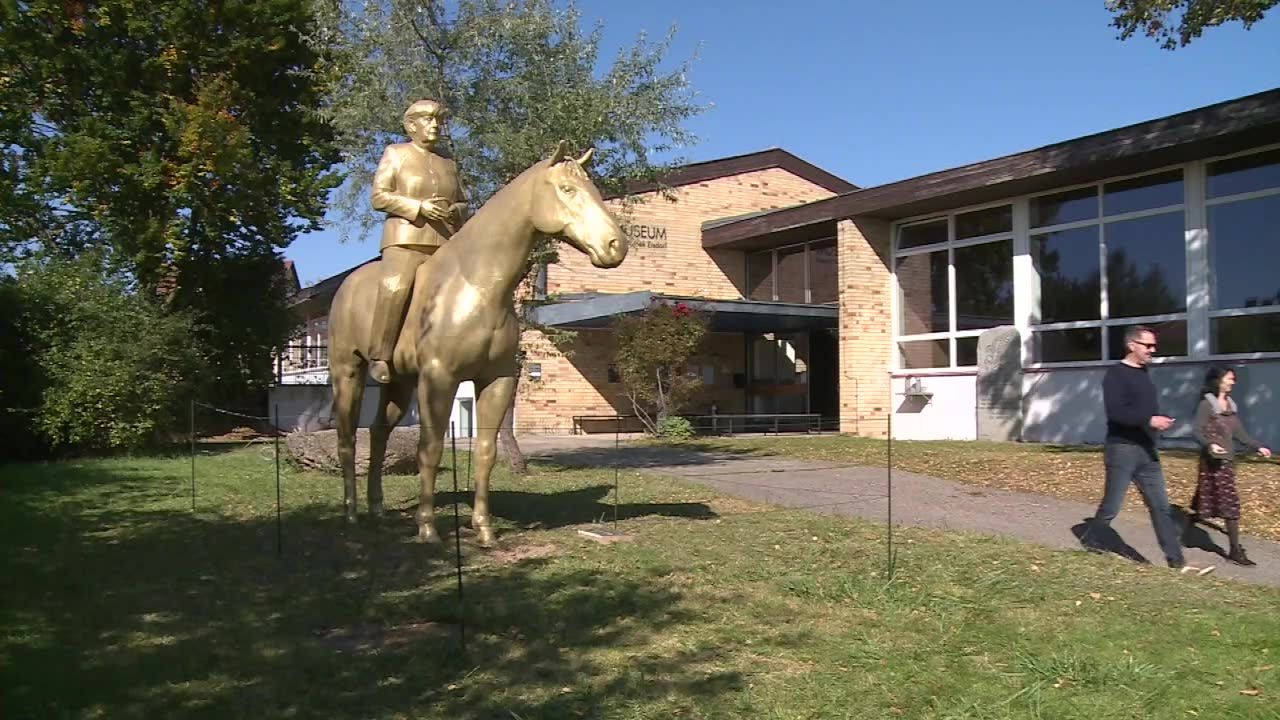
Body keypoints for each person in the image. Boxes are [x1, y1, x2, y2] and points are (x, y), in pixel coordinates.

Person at [1086, 325, 1214, 576]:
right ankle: (1092, 541)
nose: (1152, 351)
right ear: (1131, 345)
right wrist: (1149, 420)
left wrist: (1156, 425)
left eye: (1154, 346)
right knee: (1112, 506)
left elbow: (1142, 412)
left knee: (1161, 507)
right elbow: (1117, 413)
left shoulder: (1144, 373)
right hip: (1122, 450)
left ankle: (1177, 563)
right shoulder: (1116, 374)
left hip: (1147, 451)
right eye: (1148, 345)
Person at [366, 98, 468, 384]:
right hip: (405, 240)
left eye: (438, 119)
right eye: (427, 118)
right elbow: (379, 197)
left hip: (445, 243)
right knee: (395, 288)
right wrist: (420, 207)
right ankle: (381, 355)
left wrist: (453, 210)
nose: (434, 124)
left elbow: (463, 203)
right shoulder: (395, 154)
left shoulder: (448, 162)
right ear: (411, 125)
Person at [1188, 366, 1272, 566]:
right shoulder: (1206, 405)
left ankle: (1185, 528)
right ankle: (1235, 550)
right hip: (1213, 462)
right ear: (1218, 381)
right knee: (1230, 505)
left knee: (1204, 499)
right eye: (1230, 378)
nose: (1233, 382)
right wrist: (1211, 445)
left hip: (1227, 461)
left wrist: (1258, 446)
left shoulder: (1230, 406)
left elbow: (1240, 433)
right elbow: (1196, 432)